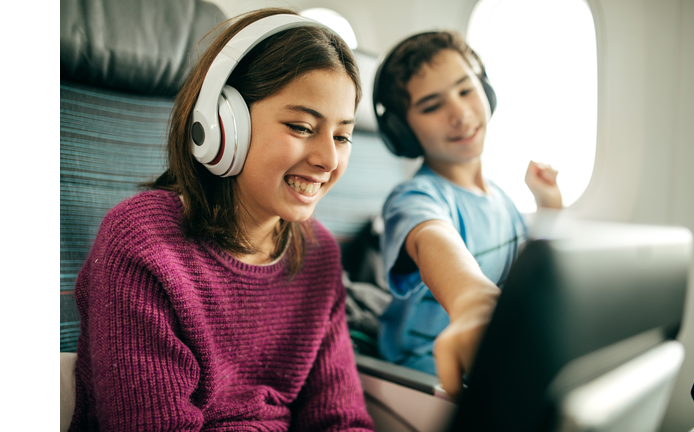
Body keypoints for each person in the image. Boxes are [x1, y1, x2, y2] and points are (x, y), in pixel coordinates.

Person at [69, 8, 375, 431]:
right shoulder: (141, 243)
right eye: (302, 127)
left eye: (342, 135)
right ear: (223, 125)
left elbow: (341, 420)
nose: (327, 159)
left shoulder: (318, 254)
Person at [372, 31, 563, 399]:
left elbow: (523, 273)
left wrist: (548, 207)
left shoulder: (501, 198)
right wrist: (473, 301)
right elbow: (433, 239)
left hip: (489, 359)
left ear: (486, 91)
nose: (459, 114)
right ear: (403, 132)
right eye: (431, 106)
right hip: (423, 378)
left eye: (465, 90)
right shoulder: (413, 198)